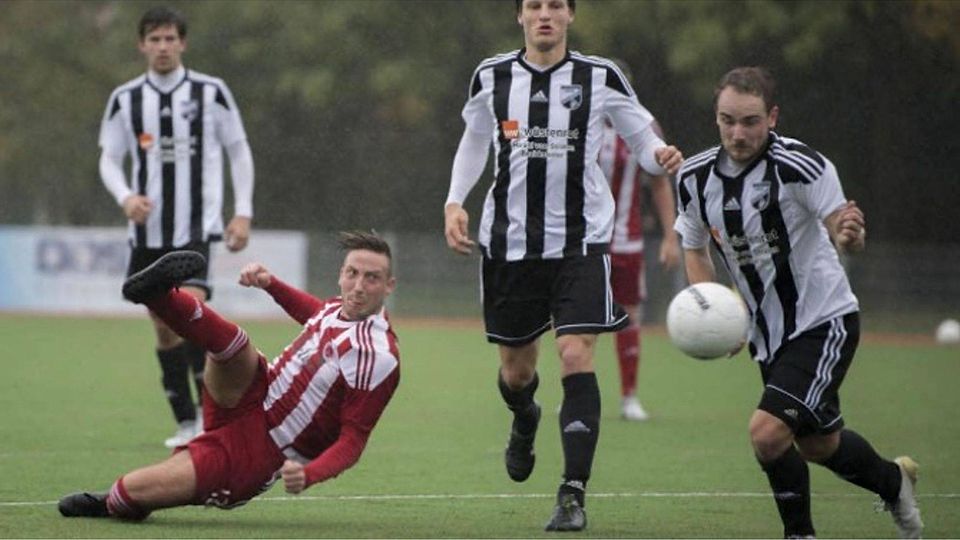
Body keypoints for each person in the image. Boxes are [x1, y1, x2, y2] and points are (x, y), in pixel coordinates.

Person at [443, 0, 682, 531]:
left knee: (575, 353)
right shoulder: (492, 75)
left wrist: (660, 155)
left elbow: (643, 140)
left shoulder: (601, 76)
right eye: (534, 5)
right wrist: (455, 201)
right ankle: (525, 419)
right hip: (509, 247)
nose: (544, 14)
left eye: (555, 5)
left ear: (571, 15)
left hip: (581, 245)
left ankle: (572, 493)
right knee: (517, 372)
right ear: (520, 16)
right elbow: (476, 140)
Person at [673, 66, 922, 538]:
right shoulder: (694, 176)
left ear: (773, 117)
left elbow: (841, 229)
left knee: (767, 434)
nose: (737, 132)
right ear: (716, 117)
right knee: (819, 445)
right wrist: (713, 311)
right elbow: (693, 245)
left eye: (749, 121)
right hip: (769, 337)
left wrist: (851, 236)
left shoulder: (802, 165)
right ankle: (894, 482)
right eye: (727, 120)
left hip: (823, 320)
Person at [58, 231, 400, 520]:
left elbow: (353, 441)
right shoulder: (335, 308)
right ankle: (157, 297)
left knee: (130, 492)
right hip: (254, 390)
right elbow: (314, 314)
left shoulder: (379, 357)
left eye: (371, 278)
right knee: (235, 344)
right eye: (352, 273)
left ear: (388, 286)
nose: (358, 286)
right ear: (341, 273)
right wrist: (271, 284)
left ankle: (117, 503)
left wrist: (309, 474)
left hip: (260, 450)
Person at [98, 6, 255, 448]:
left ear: (182, 43)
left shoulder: (212, 92)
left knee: (192, 317)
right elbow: (109, 157)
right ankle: (186, 421)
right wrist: (126, 197)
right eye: (155, 39)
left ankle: (211, 419)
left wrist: (242, 211)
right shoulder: (125, 99)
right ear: (142, 45)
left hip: (196, 227)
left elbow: (238, 150)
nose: (163, 47)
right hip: (148, 234)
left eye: (170, 39)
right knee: (164, 328)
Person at [597, 65, 681, 420]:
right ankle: (576, 388)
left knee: (629, 314)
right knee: (576, 317)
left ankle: (629, 397)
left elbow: (660, 182)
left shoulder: (644, 128)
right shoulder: (579, 120)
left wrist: (670, 236)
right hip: (584, 239)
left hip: (627, 239)